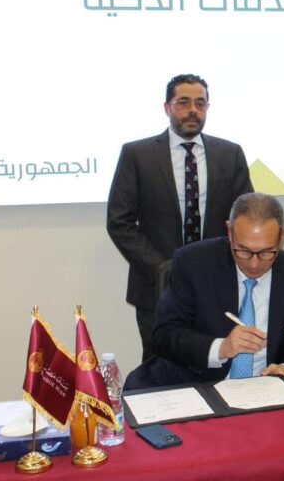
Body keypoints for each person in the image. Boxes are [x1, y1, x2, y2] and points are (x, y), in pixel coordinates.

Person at [107, 74, 253, 361]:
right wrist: (164, 268)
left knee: (215, 363)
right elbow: (119, 221)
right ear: (167, 107)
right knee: (160, 368)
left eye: (200, 103)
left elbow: (244, 218)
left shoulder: (230, 153)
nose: (193, 110)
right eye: (183, 102)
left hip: (216, 284)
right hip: (156, 287)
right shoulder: (137, 154)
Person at [124, 193, 284, 389]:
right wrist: (221, 347)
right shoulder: (193, 264)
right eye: (243, 251)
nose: (254, 264)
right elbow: (164, 336)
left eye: (266, 252)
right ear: (230, 232)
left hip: (266, 390)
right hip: (199, 383)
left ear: (282, 236)